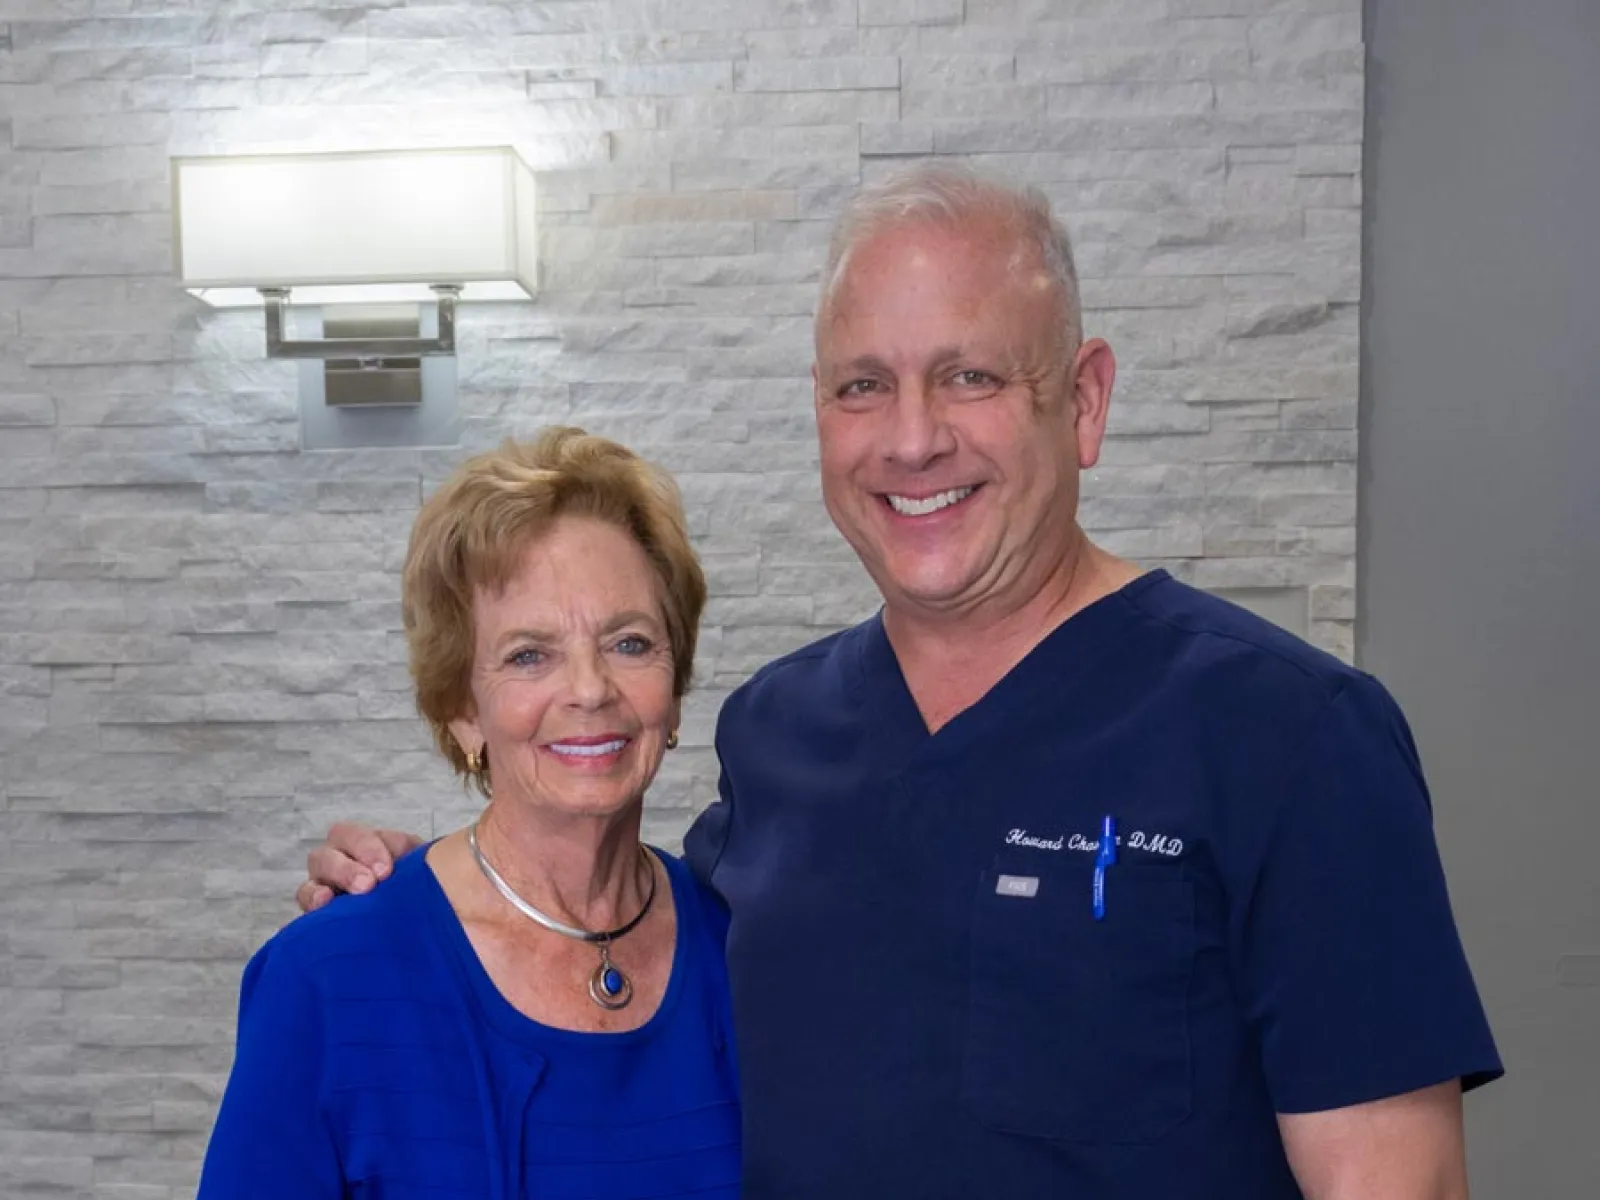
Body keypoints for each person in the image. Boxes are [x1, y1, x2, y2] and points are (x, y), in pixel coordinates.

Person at [300, 166, 1501, 1198]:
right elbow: (620, 965)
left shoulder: (1289, 735)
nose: (911, 437)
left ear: (1082, 402)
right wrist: (434, 898)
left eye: (970, 376)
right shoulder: (779, 732)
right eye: (861, 385)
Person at [200, 429, 740, 1199]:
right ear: (462, 710)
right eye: (529, 654)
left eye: (629, 642)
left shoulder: (748, 949)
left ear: (674, 686)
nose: (589, 690)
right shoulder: (327, 980)